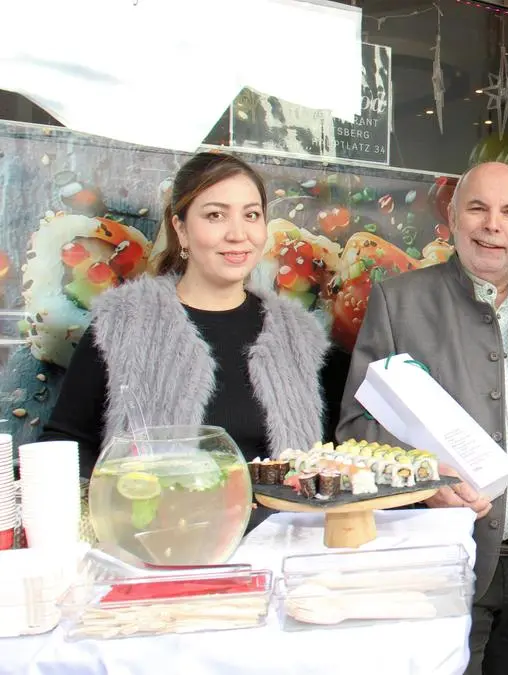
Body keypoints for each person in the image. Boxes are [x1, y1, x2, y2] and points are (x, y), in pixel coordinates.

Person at [337, 161, 508, 675]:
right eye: (477, 208)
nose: (492, 225)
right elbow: (356, 428)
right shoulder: (398, 301)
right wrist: (425, 479)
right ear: (452, 218)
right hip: (439, 560)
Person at [42, 151, 331, 531]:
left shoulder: (300, 337)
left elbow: (327, 461)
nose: (238, 233)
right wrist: (114, 513)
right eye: (215, 215)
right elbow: (65, 442)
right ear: (180, 229)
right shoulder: (125, 322)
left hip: (285, 549)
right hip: (163, 547)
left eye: (251, 215)